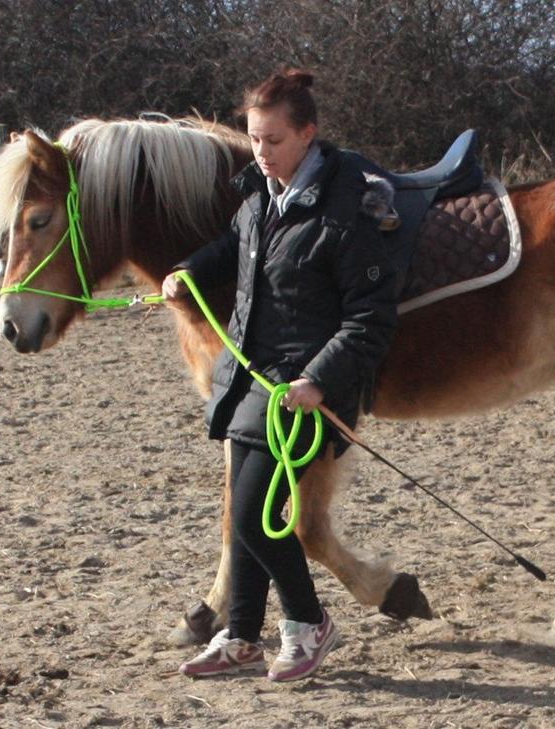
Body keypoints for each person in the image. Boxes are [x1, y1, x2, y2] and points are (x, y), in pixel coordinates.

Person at [163, 69, 398, 682]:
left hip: (303, 394)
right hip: (251, 382)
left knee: (250, 518)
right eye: (254, 139)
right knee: (239, 519)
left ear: (308, 135)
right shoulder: (263, 194)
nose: (260, 153)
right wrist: (186, 270)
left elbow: (370, 319)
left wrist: (318, 380)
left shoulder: (348, 211)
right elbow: (235, 246)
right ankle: (242, 636)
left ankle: (308, 622)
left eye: (272, 140)